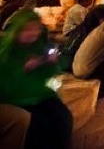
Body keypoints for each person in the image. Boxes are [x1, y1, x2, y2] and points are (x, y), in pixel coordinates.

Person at [0, 9, 73, 148]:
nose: (33, 33)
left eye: (35, 29)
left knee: (63, 118)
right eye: (27, 30)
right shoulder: (6, 51)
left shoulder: (40, 46)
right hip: (16, 99)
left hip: (41, 95)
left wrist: (52, 63)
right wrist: (23, 69)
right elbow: (5, 85)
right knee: (39, 125)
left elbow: (51, 76)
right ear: (17, 30)